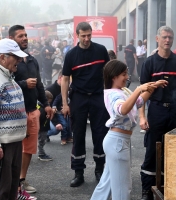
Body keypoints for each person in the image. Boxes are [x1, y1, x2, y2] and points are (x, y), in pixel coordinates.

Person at [90, 60, 167, 200]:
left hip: (118, 141)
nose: (127, 77)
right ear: (114, 77)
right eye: (124, 74)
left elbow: (138, 102)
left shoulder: (121, 91)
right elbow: (123, 110)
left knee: (105, 185)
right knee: (122, 189)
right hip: (117, 142)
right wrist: (139, 89)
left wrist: (153, 87)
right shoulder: (114, 94)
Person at [139, 26, 176, 200]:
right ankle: (147, 190)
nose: (167, 40)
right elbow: (143, 91)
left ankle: (170, 187)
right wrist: (142, 116)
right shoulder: (149, 62)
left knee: (174, 149)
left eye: (170, 37)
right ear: (157, 39)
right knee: (152, 150)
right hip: (156, 110)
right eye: (164, 37)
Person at [61, 21, 110, 187]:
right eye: (83, 36)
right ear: (77, 35)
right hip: (79, 98)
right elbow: (65, 79)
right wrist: (65, 103)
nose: (87, 39)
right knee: (78, 135)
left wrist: (110, 96)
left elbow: (109, 73)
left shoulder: (101, 50)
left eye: (89, 35)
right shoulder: (71, 55)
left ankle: (100, 170)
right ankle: (78, 172)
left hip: (98, 97)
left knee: (100, 134)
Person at [9, 25, 53, 194]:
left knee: (28, 149)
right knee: (12, 150)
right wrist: (24, 84)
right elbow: (4, 86)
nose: (25, 38)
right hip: (14, 113)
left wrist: (46, 105)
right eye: (21, 36)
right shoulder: (7, 60)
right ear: (12, 39)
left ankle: (21, 181)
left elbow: (39, 84)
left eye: (26, 35)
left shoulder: (32, 59)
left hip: (32, 111)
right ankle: (9, 183)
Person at [0, 38, 27, 200]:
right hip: (3, 144)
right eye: (15, 56)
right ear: (3, 58)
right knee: (3, 189)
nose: (19, 60)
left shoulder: (7, 76)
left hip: (14, 141)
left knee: (12, 186)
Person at [37, 91, 54, 161]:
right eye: (49, 102)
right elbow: (39, 118)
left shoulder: (42, 107)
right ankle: (41, 154)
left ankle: (41, 153)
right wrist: (46, 116)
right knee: (41, 141)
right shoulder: (41, 108)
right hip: (42, 128)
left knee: (42, 140)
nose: (49, 104)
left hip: (44, 127)